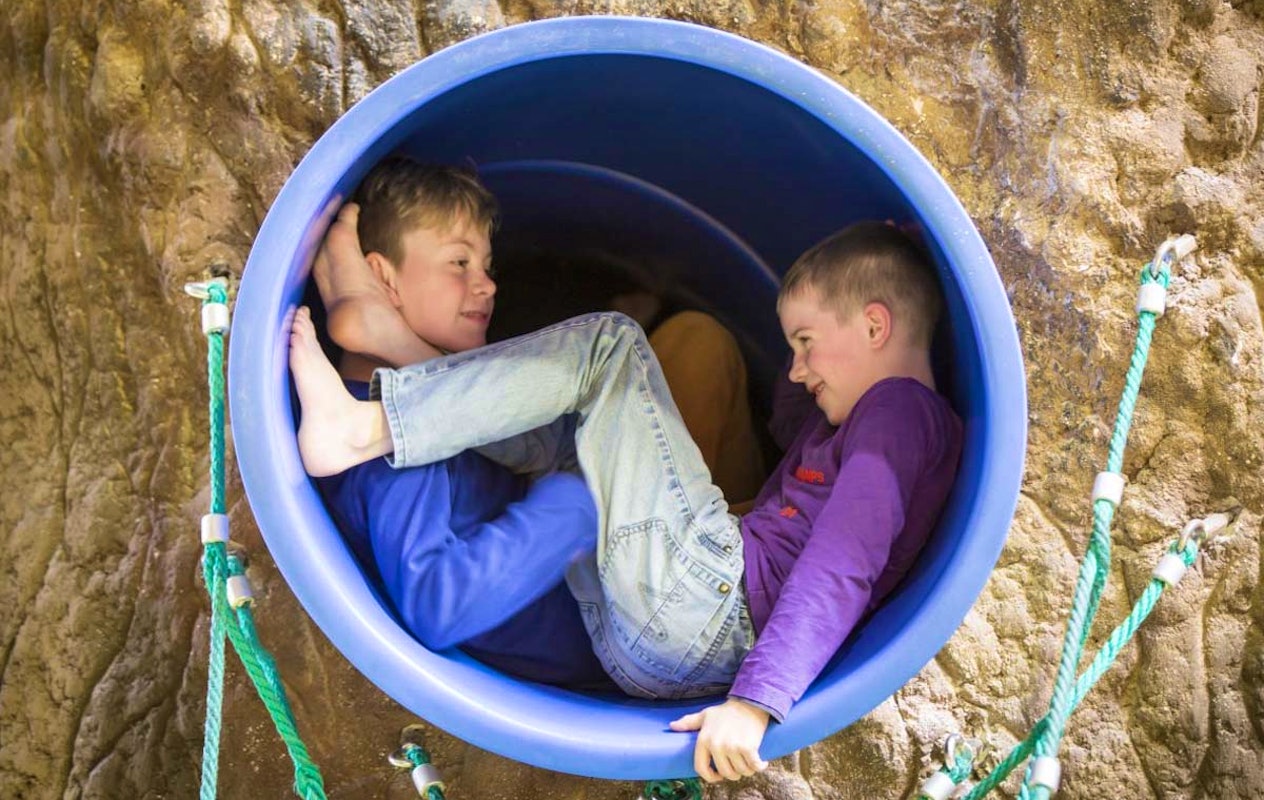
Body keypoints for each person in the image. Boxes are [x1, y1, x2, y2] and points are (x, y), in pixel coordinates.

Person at [296, 165, 963, 780]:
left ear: (875, 327)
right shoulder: (855, 423)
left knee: (611, 347)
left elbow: (843, 564)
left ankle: (374, 424)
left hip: (714, 611)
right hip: (668, 632)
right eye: (792, 347)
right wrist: (887, 259)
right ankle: (398, 363)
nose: (796, 368)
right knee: (573, 432)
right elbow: (790, 427)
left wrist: (757, 702)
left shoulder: (898, 413)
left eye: (807, 344)